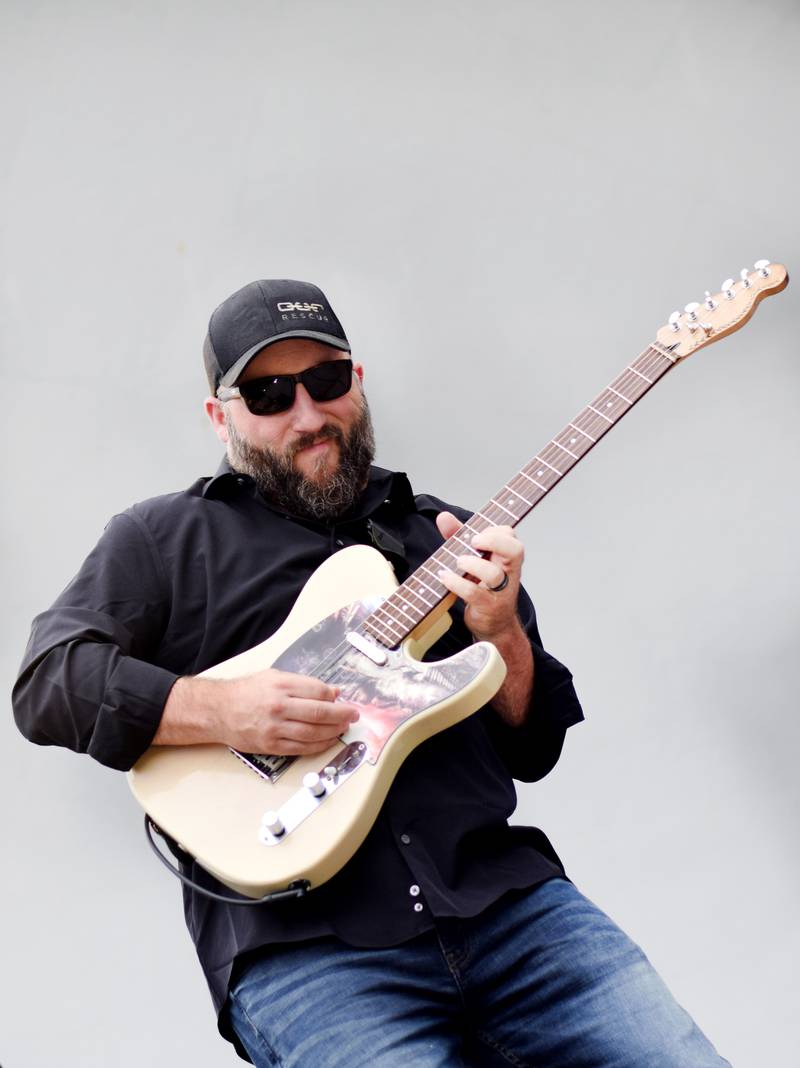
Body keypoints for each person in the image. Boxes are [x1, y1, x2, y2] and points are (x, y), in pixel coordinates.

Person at [13, 279, 730, 1067]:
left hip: (511, 910)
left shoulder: (447, 537)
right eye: (269, 393)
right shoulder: (164, 540)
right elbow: (49, 683)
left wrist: (501, 638)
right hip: (310, 954)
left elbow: (535, 748)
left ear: (357, 382)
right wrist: (223, 711)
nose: (307, 414)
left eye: (326, 380)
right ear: (221, 418)